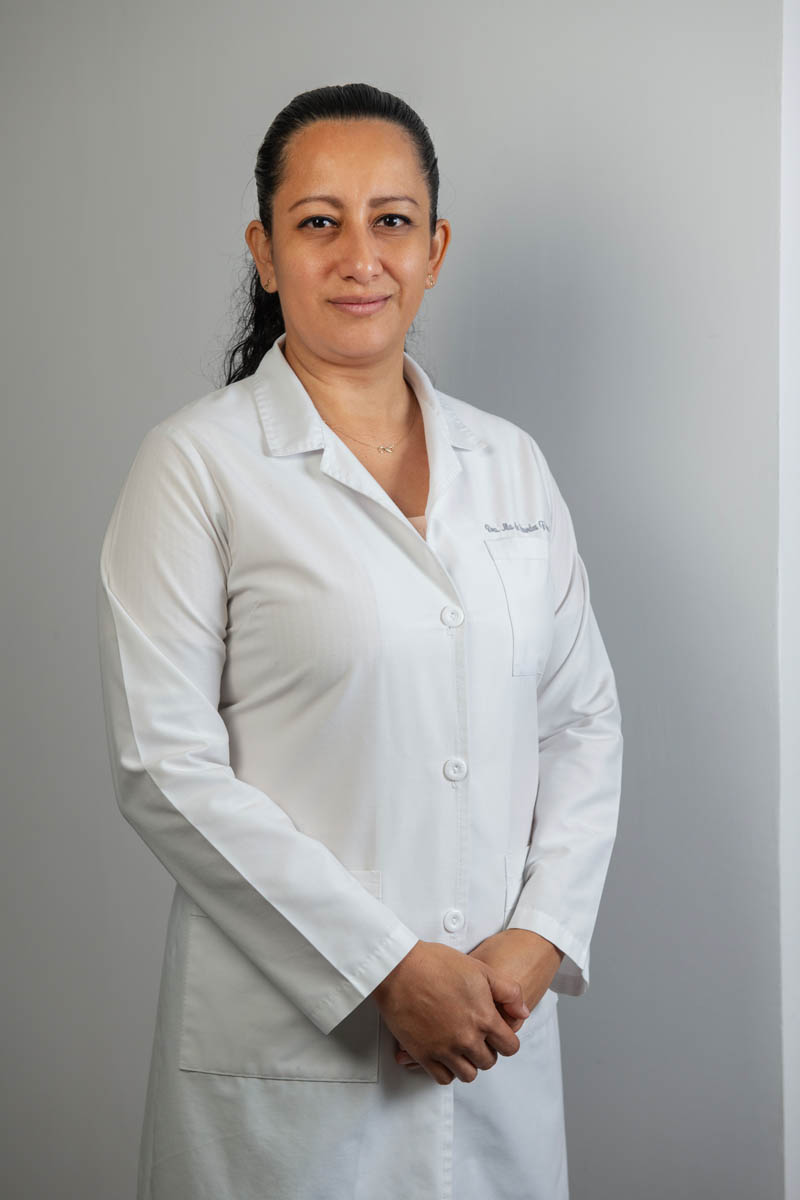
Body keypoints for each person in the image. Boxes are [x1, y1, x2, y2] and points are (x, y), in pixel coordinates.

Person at [96, 81, 623, 1200]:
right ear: (264, 251)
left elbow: (580, 719)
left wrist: (538, 934)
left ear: (434, 249)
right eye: (317, 221)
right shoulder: (197, 466)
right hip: (292, 1064)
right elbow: (164, 766)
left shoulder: (509, 465)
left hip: (495, 1030)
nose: (359, 257)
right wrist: (384, 968)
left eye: (390, 220)